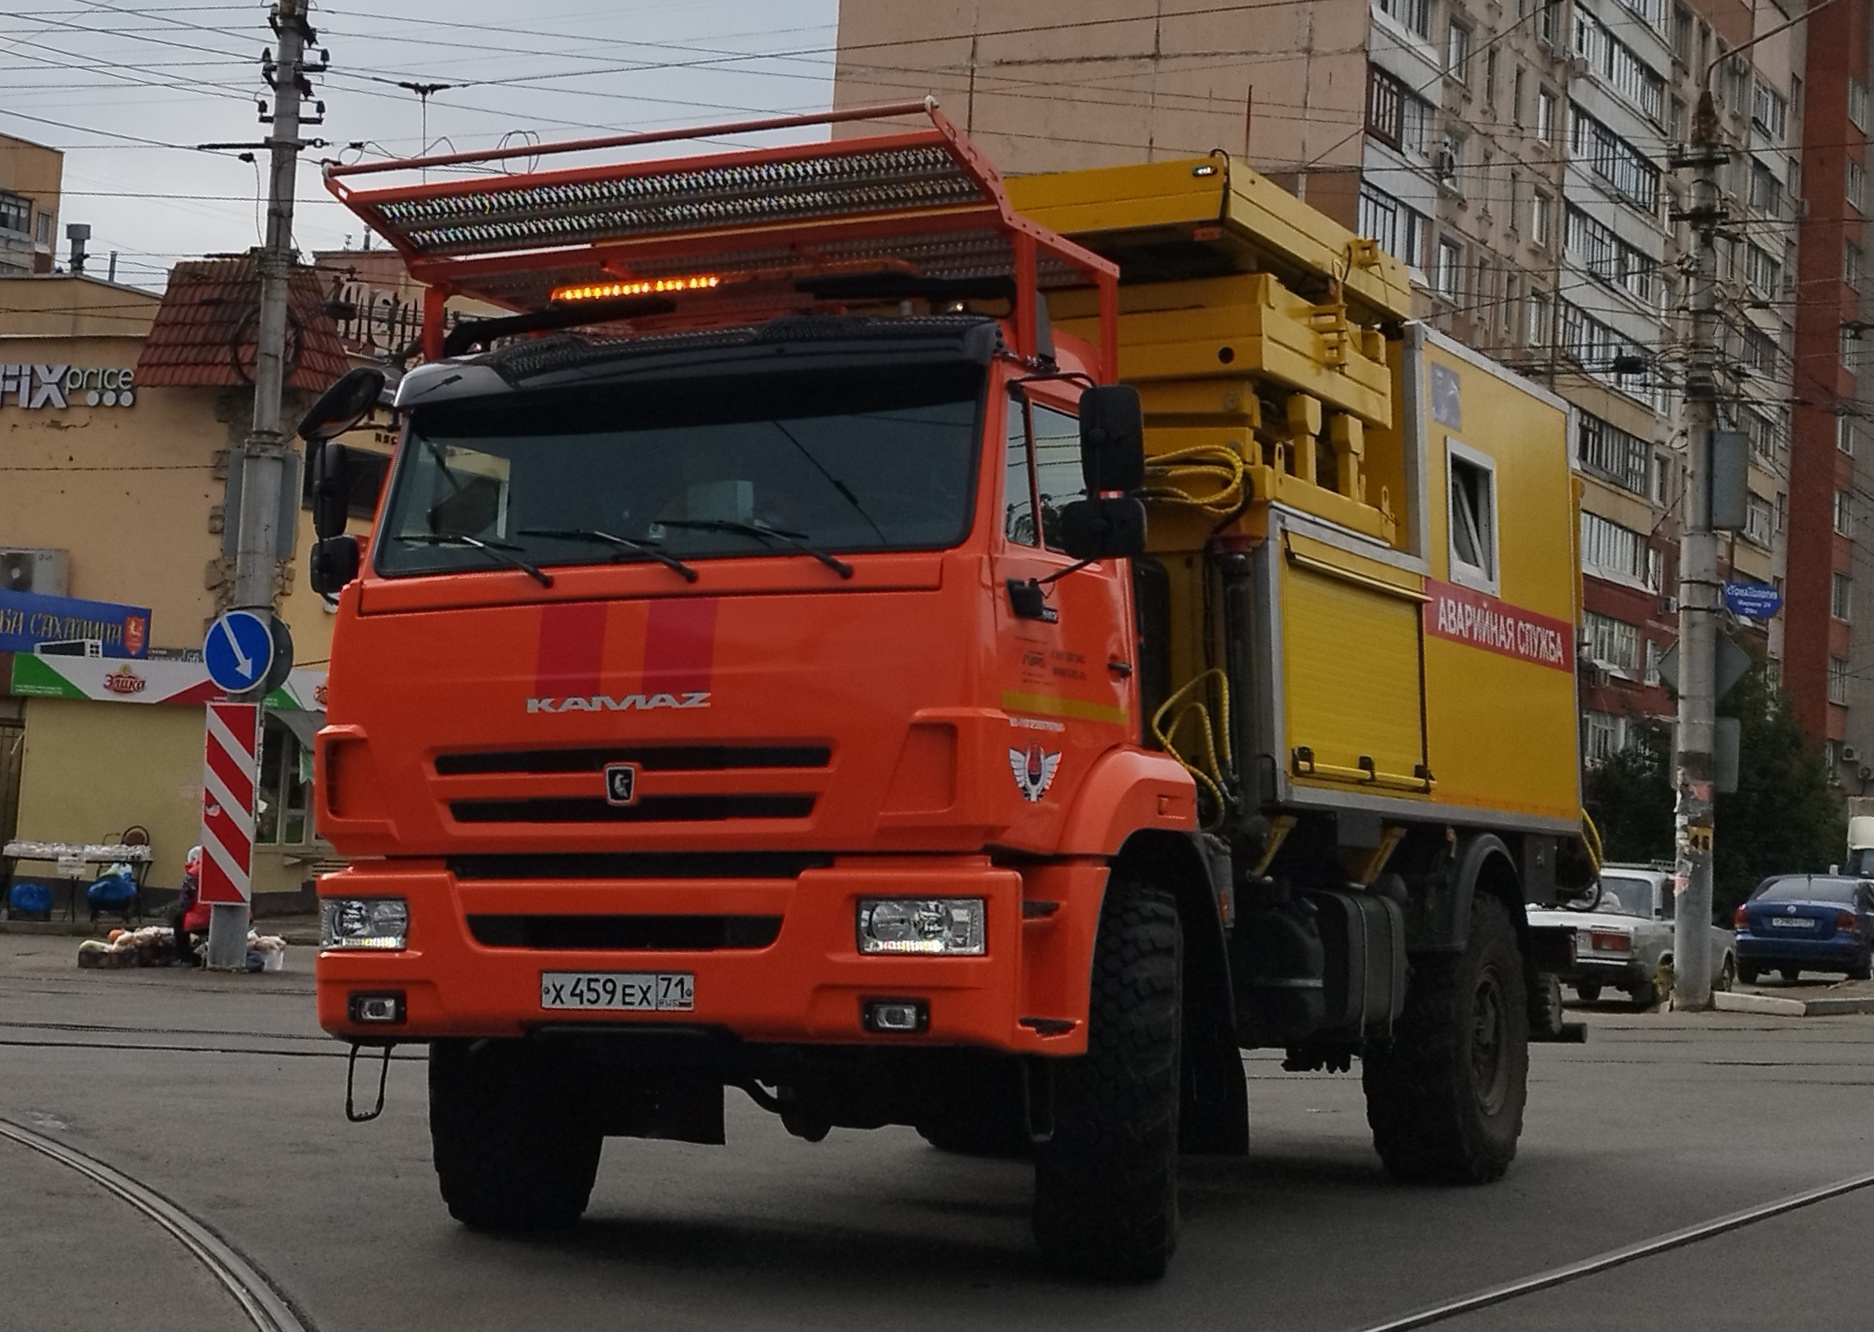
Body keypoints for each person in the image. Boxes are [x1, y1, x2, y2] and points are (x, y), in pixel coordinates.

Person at [169, 845, 209, 967]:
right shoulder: (224, 869)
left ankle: (185, 957)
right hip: (232, 918)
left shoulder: (193, 873)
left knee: (177, 918)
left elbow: (185, 901)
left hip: (203, 919)